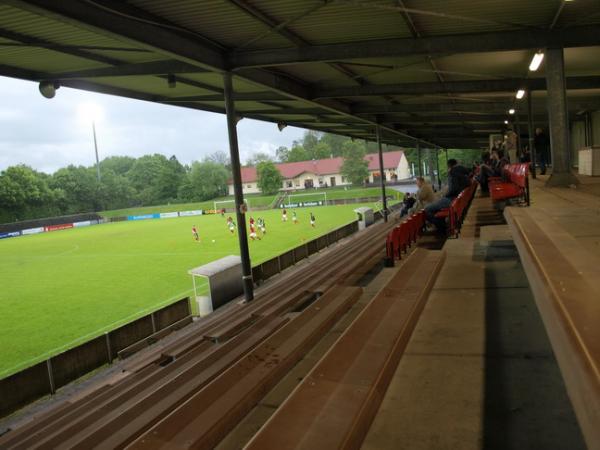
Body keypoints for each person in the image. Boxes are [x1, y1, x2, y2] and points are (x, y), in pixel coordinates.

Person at [425, 159, 471, 233]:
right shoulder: (464, 172)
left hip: (452, 199)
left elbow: (453, 189)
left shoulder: (452, 172)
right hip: (458, 199)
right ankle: (442, 225)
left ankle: (442, 227)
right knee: (436, 205)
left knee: (427, 209)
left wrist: (445, 195)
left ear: (449, 166)